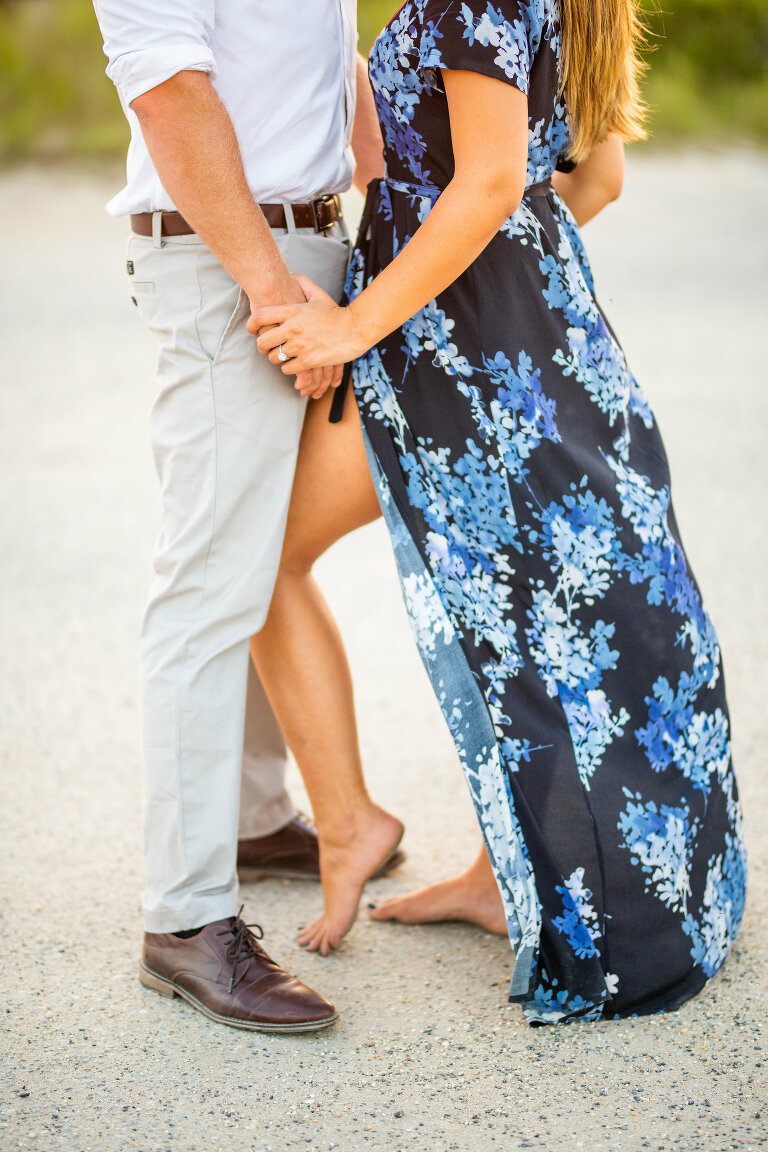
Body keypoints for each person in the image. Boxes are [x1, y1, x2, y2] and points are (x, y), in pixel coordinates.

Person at [249, 0, 747, 1023]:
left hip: (448, 339)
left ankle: (349, 823)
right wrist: (510, 260)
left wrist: (355, 323)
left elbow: (483, 183)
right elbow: (593, 180)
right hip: (542, 329)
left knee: (254, 560)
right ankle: (493, 875)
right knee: (535, 605)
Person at [92, 0, 400, 1033]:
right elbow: (170, 90)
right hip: (235, 266)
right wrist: (275, 295)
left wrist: (374, 191)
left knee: (256, 555)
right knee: (211, 583)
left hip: (303, 250)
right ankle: (185, 920)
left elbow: (321, 56)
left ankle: (255, 817)